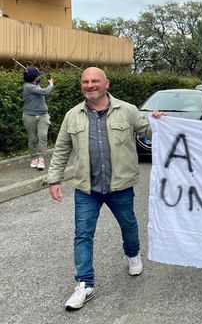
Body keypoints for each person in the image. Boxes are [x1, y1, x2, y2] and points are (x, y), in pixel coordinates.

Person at [47, 67, 163, 311]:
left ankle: (132, 254)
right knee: (82, 234)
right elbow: (61, 150)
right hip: (87, 189)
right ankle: (84, 284)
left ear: (106, 84)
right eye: (85, 81)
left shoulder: (128, 111)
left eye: (95, 81)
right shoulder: (72, 115)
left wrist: (158, 121)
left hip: (120, 185)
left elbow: (149, 134)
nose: (90, 85)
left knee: (129, 225)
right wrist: (54, 179)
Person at [22, 66, 54, 170]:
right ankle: (34, 157)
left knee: (43, 136)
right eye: (37, 75)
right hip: (29, 116)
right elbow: (44, 92)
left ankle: (41, 158)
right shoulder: (28, 86)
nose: (39, 76)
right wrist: (51, 84)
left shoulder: (33, 84)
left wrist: (37, 82)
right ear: (33, 77)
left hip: (43, 115)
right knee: (32, 138)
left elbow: (37, 88)